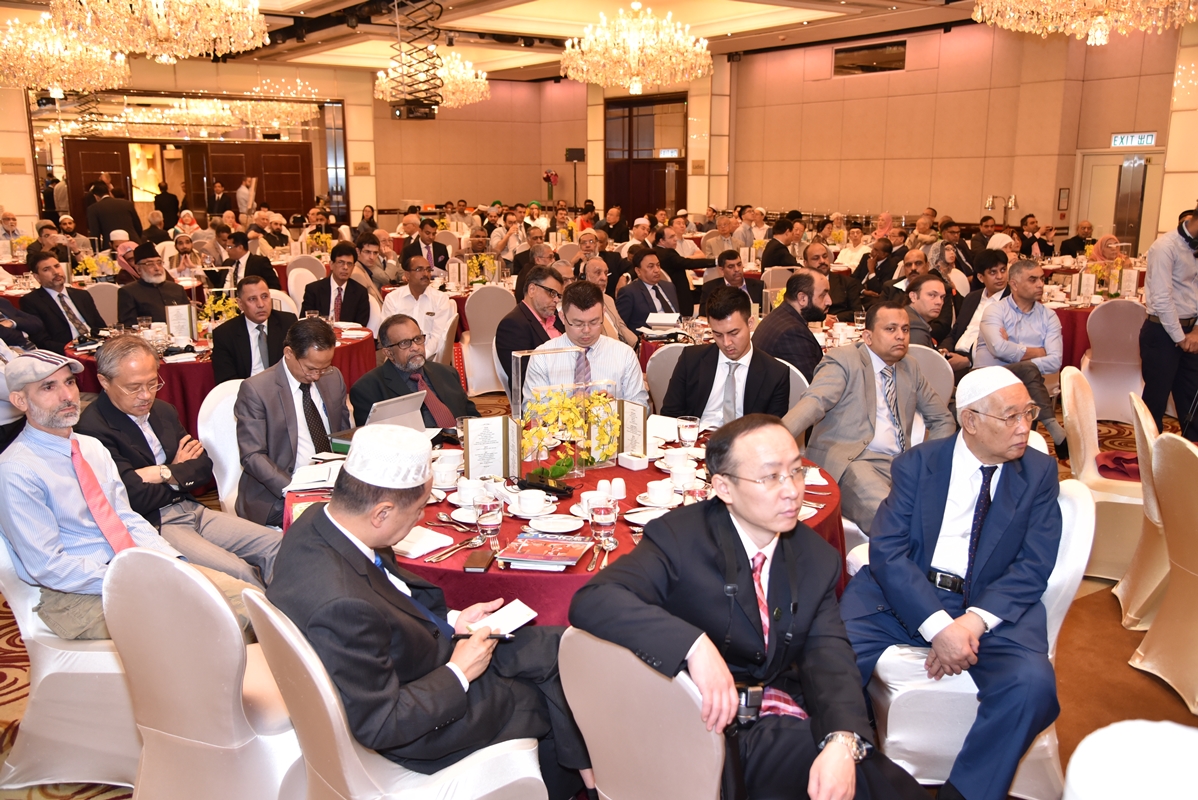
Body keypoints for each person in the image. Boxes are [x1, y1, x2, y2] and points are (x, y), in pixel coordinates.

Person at [569, 414, 928, 800]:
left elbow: (830, 658)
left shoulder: (815, 556)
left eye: (796, 471)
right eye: (770, 477)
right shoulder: (680, 537)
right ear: (723, 487)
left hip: (771, 712)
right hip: (694, 721)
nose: (791, 490)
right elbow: (596, 598)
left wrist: (842, 740)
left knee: (865, 773)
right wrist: (694, 646)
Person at [266, 425, 594, 798]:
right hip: (420, 721)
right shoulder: (341, 604)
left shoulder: (319, 522)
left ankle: (587, 778)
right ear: (382, 513)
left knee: (563, 647)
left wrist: (452, 620)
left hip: (419, 651)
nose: (420, 517)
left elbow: (391, 596)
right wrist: (460, 670)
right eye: (419, 508)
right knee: (550, 699)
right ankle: (572, 786)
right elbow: (381, 722)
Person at [840, 367, 1063, 800]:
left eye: (1029, 413)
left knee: (1032, 687)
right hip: (906, 593)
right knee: (828, 657)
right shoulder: (919, 464)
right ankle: (850, 769)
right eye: (1011, 416)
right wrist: (938, 626)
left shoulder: (1038, 472)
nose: (1025, 428)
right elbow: (888, 551)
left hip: (990, 605)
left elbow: (1034, 565)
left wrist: (971, 623)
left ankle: (966, 792)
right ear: (970, 420)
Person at [0, 351, 258, 640]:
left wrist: (171, 562)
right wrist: (134, 575)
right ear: (20, 401)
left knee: (249, 599)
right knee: (210, 620)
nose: (66, 395)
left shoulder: (91, 448)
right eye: (48, 387)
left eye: (69, 382)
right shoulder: (17, 470)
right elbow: (48, 566)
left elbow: (126, 517)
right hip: (76, 595)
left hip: (132, 567)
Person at [76, 335, 281, 586]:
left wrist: (161, 472)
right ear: (104, 382)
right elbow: (131, 497)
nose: (146, 395)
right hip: (154, 523)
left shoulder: (162, 411)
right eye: (134, 387)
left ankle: (284, 610)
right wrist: (177, 471)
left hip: (192, 508)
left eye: (153, 383)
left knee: (277, 545)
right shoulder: (92, 429)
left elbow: (203, 467)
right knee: (239, 572)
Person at [782, 302, 956, 534]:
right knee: (895, 521)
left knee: (950, 514)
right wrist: (775, 439)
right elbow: (815, 402)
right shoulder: (844, 360)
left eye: (905, 329)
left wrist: (927, 462)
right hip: (854, 462)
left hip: (902, 464)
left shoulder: (909, 367)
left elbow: (943, 419)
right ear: (868, 336)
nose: (900, 336)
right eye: (891, 329)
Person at [235, 318, 350, 527]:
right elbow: (252, 455)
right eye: (311, 368)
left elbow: (343, 435)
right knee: (331, 526)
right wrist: (294, 488)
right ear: (289, 353)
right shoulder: (257, 390)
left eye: (324, 368)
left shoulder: (333, 378)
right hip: (279, 493)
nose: (317, 376)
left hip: (331, 483)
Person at [975, 260, 1068, 458]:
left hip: (1023, 383)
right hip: (988, 378)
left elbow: (1055, 362)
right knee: (1028, 373)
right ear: (1014, 284)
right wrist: (1038, 351)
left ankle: (1027, 455)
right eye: (1033, 280)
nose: (1040, 284)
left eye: (1042, 279)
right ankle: (1053, 427)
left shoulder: (1049, 316)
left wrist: (1013, 351)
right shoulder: (995, 311)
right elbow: (999, 348)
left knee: (1026, 376)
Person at [661, 287, 790, 427]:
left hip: (745, 439)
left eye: (733, 333)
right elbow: (670, 415)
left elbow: (772, 432)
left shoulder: (775, 374)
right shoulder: (691, 359)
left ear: (750, 323)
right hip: (694, 436)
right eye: (718, 334)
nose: (726, 343)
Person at [523, 281, 647, 406]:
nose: (586, 330)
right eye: (578, 324)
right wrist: (567, 408)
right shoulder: (543, 357)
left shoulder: (624, 355)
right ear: (562, 317)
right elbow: (530, 410)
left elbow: (641, 407)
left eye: (594, 322)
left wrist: (615, 407)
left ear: (603, 314)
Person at [350, 314, 476, 431]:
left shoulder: (447, 373)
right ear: (389, 353)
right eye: (405, 343)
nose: (415, 347)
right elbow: (371, 439)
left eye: (417, 339)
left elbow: (472, 418)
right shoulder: (367, 389)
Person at [1141, 208, 1198, 438]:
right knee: (1156, 400)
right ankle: (1150, 453)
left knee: (1192, 399)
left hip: (1192, 332)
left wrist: (1196, 330)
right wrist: (1180, 337)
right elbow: (1162, 298)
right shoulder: (1165, 246)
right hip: (1162, 332)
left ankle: (1192, 451)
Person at [211, 276, 297, 384]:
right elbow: (227, 380)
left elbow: (299, 365)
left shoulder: (287, 323)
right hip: (245, 390)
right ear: (240, 304)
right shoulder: (225, 334)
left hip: (283, 388)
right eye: (252, 299)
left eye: (264, 296)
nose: (261, 304)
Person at [752, 270, 831, 383]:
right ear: (802, 298)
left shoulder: (780, 316)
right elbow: (815, 385)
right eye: (823, 295)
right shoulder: (792, 333)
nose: (829, 301)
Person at [21, 251, 107, 354]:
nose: (55, 272)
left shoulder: (82, 295)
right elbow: (42, 341)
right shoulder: (32, 301)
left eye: (57, 266)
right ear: (37, 277)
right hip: (68, 353)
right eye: (46, 269)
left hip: (98, 348)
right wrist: (72, 350)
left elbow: (100, 326)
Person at [495, 266, 565, 383]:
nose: (556, 300)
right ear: (532, 290)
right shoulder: (513, 325)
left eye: (559, 295)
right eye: (552, 293)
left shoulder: (557, 318)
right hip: (544, 391)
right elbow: (524, 378)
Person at [942, 249, 1011, 368]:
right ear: (980, 277)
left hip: (982, 363)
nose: (1000, 276)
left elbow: (1007, 344)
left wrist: (969, 360)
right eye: (993, 272)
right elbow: (956, 331)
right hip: (955, 354)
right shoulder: (972, 298)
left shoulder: (1013, 302)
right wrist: (944, 349)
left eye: (1003, 270)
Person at [380, 255, 456, 362]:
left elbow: (438, 337)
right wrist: (404, 356)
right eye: (419, 269)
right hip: (399, 356)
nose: (425, 274)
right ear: (407, 275)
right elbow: (388, 334)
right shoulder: (393, 298)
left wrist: (421, 355)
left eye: (428, 270)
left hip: (429, 356)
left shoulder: (440, 299)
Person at [116, 242, 190, 326]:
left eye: (159, 263)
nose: (157, 268)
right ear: (138, 269)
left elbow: (188, 319)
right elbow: (128, 326)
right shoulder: (128, 292)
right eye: (150, 264)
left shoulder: (177, 288)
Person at [301, 242, 371, 327]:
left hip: (348, 334)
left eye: (349, 264)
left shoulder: (360, 292)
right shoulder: (314, 290)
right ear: (331, 264)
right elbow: (304, 322)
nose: (345, 267)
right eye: (341, 262)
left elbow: (360, 325)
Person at [615, 249, 680, 332]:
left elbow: (677, 315)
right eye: (651, 266)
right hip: (650, 336)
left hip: (678, 332)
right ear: (638, 271)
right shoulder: (629, 292)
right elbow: (620, 326)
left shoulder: (669, 286)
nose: (657, 270)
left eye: (658, 265)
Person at [581, 257, 637, 347]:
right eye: (597, 272)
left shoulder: (608, 299)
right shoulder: (580, 303)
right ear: (584, 277)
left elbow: (621, 326)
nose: (604, 278)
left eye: (606, 273)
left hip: (622, 347)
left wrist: (637, 345)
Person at [807, 241, 865, 322]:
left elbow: (857, 312)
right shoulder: (800, 284)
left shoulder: (847, 282)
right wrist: (821, 318)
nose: (822, 261)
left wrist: (835, 318)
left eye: (825, 256)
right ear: (805, 263)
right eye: (816, 258)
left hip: (839, 326)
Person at [699, 250, 764, 317]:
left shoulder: (759, 286)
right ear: (721, 270)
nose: (737, 269)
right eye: (731, 266)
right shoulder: (710, 288)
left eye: (739, 265)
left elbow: (767, 313)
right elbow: (703, 316)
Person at [651, 226, 699, 316]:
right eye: (671, 237)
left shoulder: (653, 252)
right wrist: (715, 262)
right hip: (679, 298)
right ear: (662, 241)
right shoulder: (668, 253)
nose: (675, 239)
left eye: (675, 236)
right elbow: (688, 263)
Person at [85, 183, 142, 248]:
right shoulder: (127, 204)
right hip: (134, 243)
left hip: (112, 246)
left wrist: (96, 251)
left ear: (95, 196)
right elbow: (138, 227)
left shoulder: (93, 208)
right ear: (109, 192)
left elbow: (95, 233)